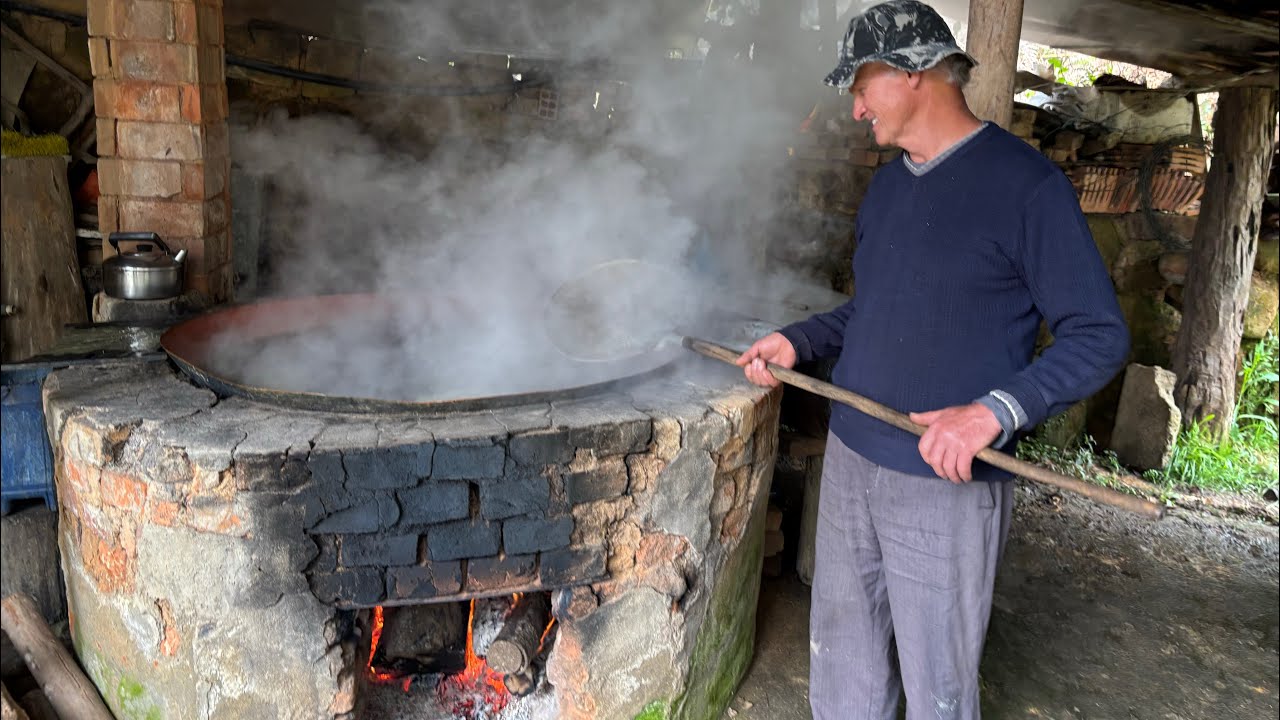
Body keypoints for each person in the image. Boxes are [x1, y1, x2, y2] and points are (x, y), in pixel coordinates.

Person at [735, 2, 1130, 718]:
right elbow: (875, 308)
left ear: (915, 72)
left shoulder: (1027, 188)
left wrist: (993, 413)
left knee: (937, 684)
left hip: (941, 484)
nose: (854, 110)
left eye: (860, 86)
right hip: (852, 462)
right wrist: (801, 339)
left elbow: (1097, 334)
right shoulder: (887, 189)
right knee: (842, 660)